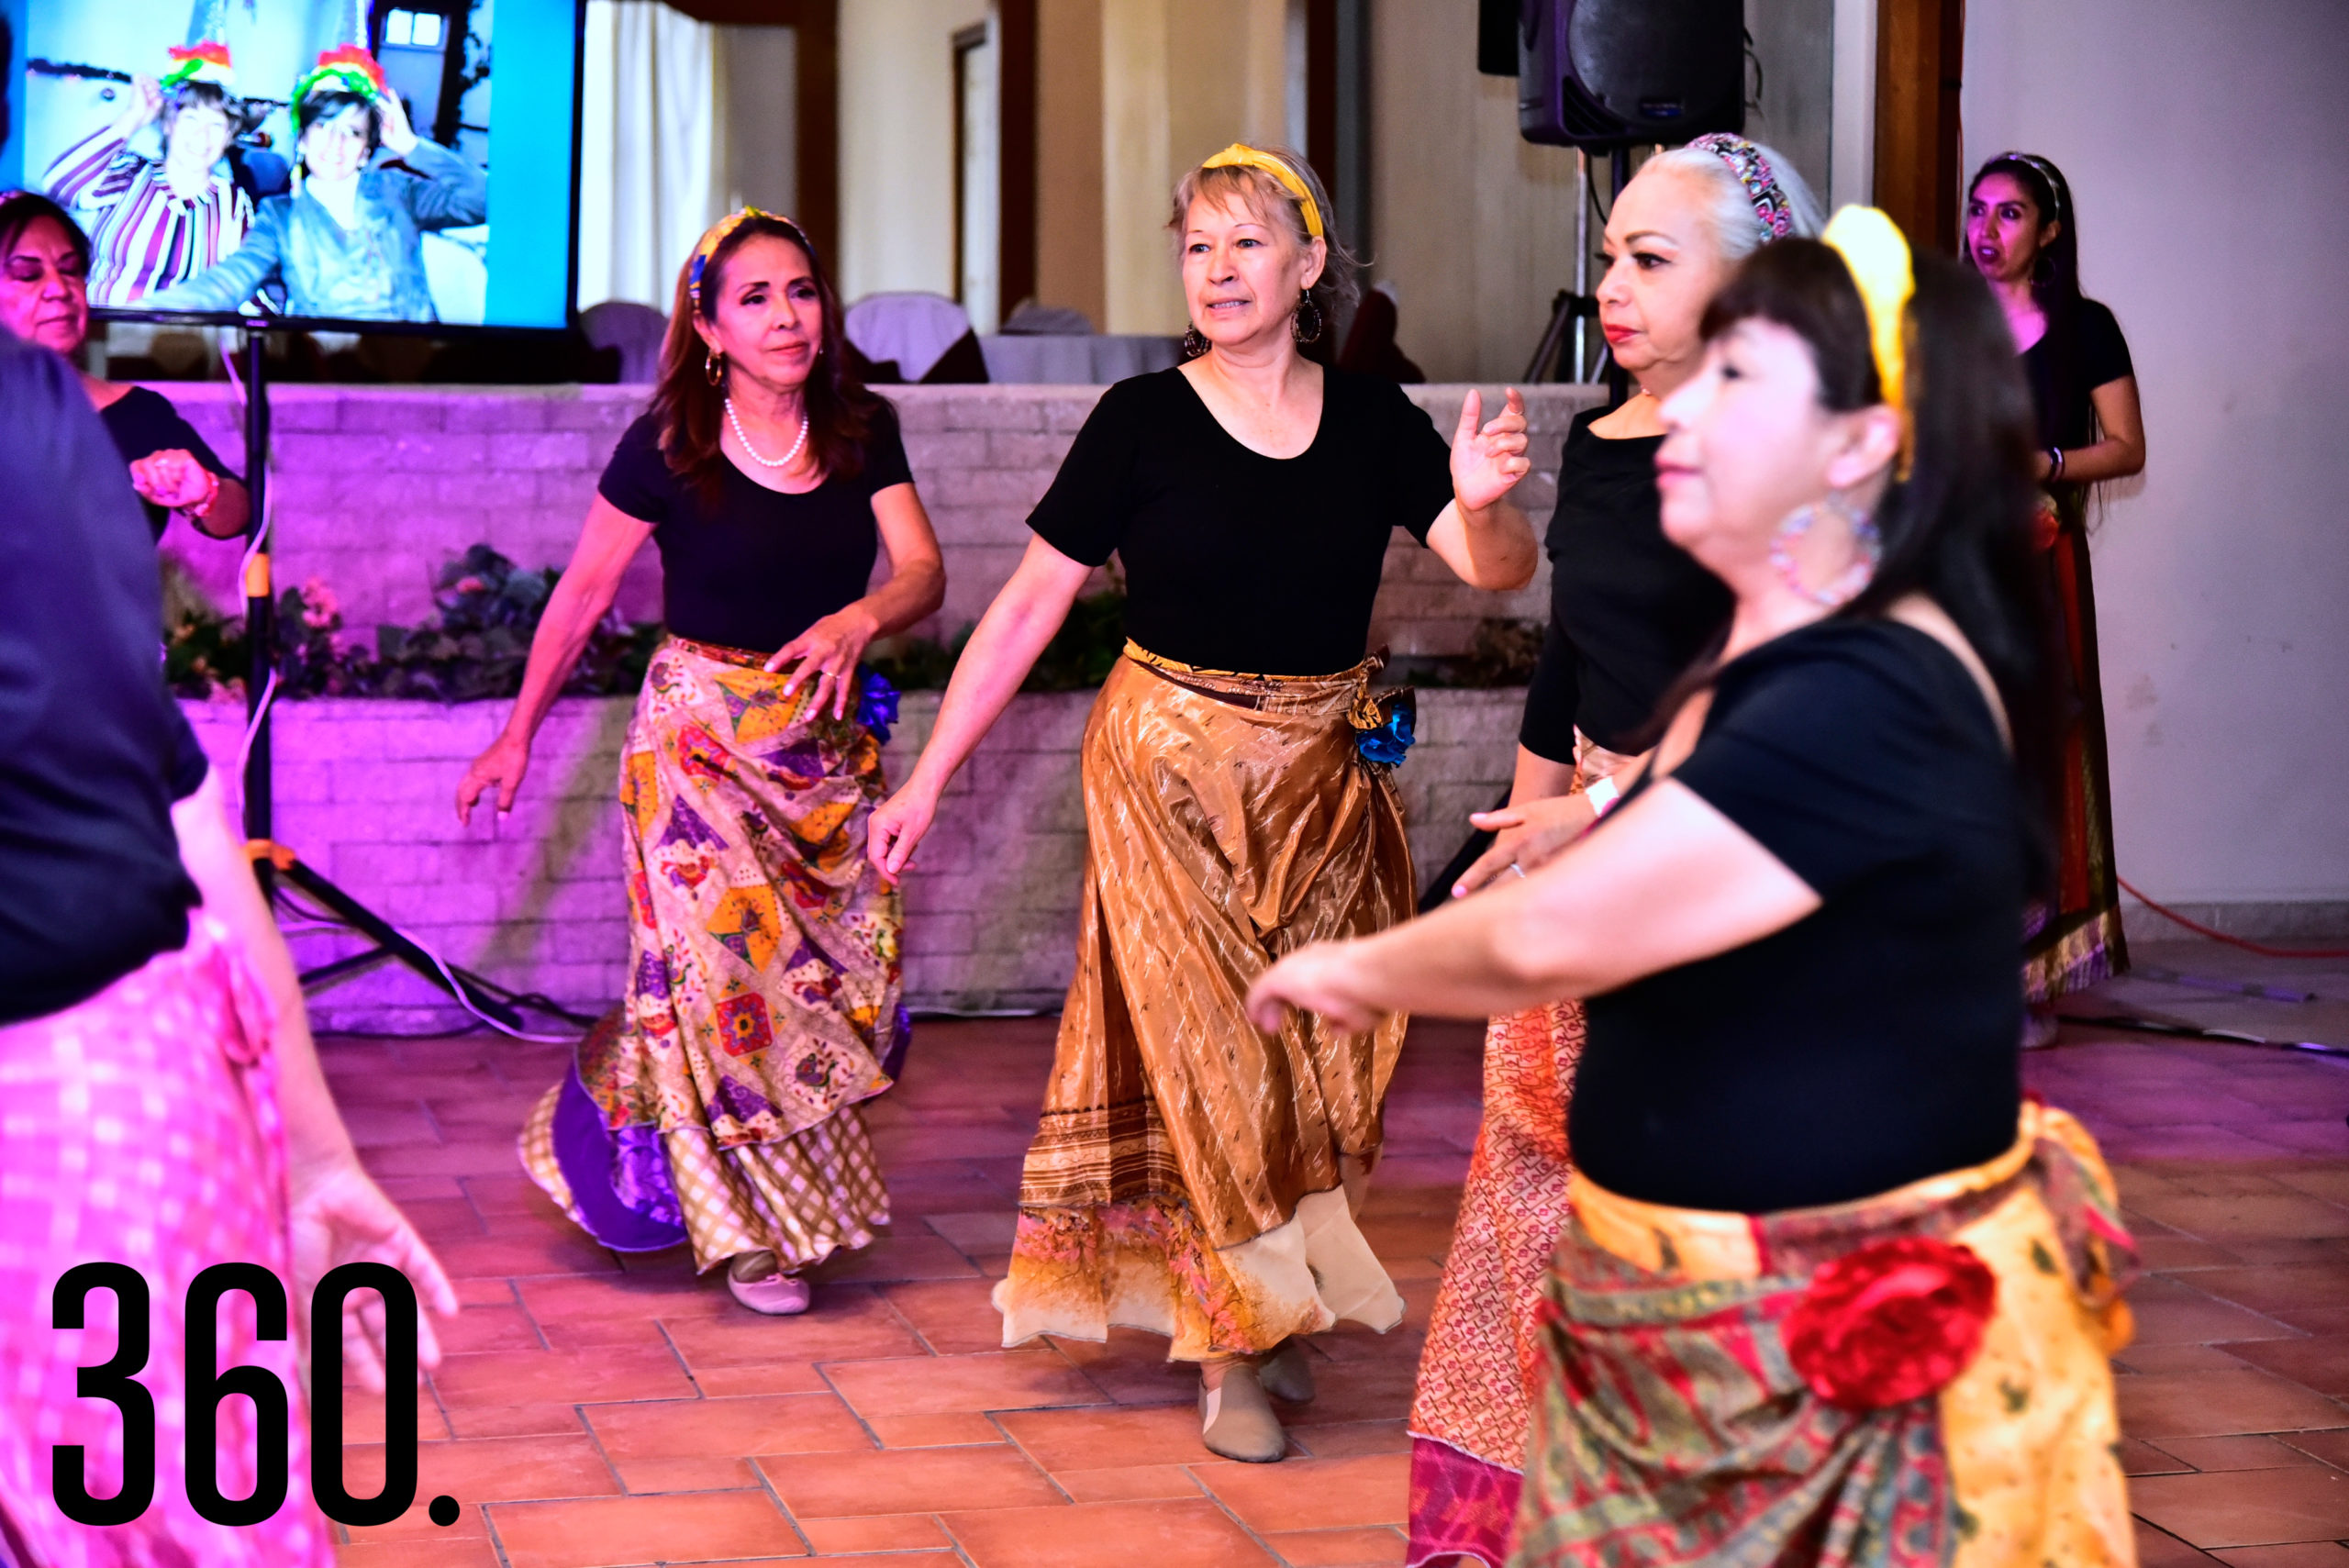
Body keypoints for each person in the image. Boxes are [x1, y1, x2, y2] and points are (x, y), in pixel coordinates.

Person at [1250, 212, 2137, 1564]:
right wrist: (1596, 804)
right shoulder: (1808, 641)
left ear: (1858, 447)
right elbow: (1693, 756)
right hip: (1690, 1321)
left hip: (1816, 1361)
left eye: (1739, 379)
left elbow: (1553, 941)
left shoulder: (1864, 691)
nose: (1684, 407)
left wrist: (1348, 968)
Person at [866, 143, 1540, 1464]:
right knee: (1216, 1053)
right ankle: (1230, 1349)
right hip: (1164, 767)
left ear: (1307, 266)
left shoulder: (1373, 425)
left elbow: (1497, 571)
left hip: (1325, 784)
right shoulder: (1140, 421)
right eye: (1197, 247)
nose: (1219, 270)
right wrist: (931, 772)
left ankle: (1267, 1304)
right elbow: (1025, 608)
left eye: (1246, 244)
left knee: (1312, 1062)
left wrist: (1487, 504)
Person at [1407, 134, 1822, 1568]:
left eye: (1652, 259)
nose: (1613, 286)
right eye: (1609, 257)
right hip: (1587, 844)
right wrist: (1529, 824)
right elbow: (1567, 648)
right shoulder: (1602, 437)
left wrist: (1612, 806)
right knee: (1537, 1174)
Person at [0, 328, 455, 1566]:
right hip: (102, 1095)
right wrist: (310, 1155)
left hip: (74, 1098)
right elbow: (185, 802)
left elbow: (181, 790)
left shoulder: (57, 414)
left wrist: (315, 1160)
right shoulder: (36, 409)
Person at [458, 209, 945, 1318]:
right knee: (723, 986)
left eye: (802, 291)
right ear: (711, 326)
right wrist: (518, 729)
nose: (786, 316)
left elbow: (922, 570)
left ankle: (712, 1182)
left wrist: (861, 617)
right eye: (757, 297)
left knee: (825, 984)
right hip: (694, 749)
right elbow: (581, 598)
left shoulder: (863, 427)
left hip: (818, 747)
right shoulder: (669, 442)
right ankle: (747, 1238)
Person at [1966, 151, 2145, 1031]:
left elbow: (2127, 446)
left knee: (2036, 762)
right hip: (1951, 568)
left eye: (2009, 214)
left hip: (2040, 563)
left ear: (2049, 232)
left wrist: (2047, 463)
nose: (1987, 231)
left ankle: (2026, 975)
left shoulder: (2087, 328)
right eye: (1978, 211)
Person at [150, 48, 486, 322]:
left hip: (417, 366)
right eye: (324, 127)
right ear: (303, 139)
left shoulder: (397, 191)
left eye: (352, 132)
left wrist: (412, 147)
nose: (335, 144)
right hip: (333, 373)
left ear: (366, 150)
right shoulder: (280, 215)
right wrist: (153, 310)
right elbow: (233, 279)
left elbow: (485, 200)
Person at [0, 191, 250, 540]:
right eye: (28, 274)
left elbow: (237, 513)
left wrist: (204, 492)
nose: (58, 288)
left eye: (71, 270)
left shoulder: (138, 413)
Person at [44, 43, 256, 307]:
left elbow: (243, 285)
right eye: (190, 119)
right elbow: (57, 186)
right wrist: (134, 117)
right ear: (168, 124)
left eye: (216, 124)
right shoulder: (129, 172)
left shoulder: (233, 202)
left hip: (184, 343)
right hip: (103, 334)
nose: (202, 135)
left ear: (228, 137)